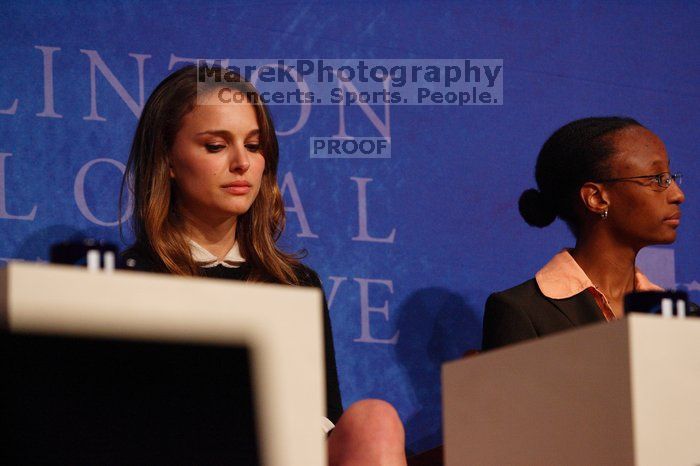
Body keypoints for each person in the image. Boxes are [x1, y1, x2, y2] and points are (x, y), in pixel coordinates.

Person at [120, 64, 407, 465]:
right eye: (216, 146)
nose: (242, 163)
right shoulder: (129, 277)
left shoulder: (296, 284)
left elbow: (326, 418)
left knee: (376, 420)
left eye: (254, 146)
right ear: (167, 159)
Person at [482, 116, 687, 350]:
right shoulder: (523, 311)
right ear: (597, 198)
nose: (677, 194)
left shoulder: (678, 317)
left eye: (671, 177)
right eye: (658, 179)